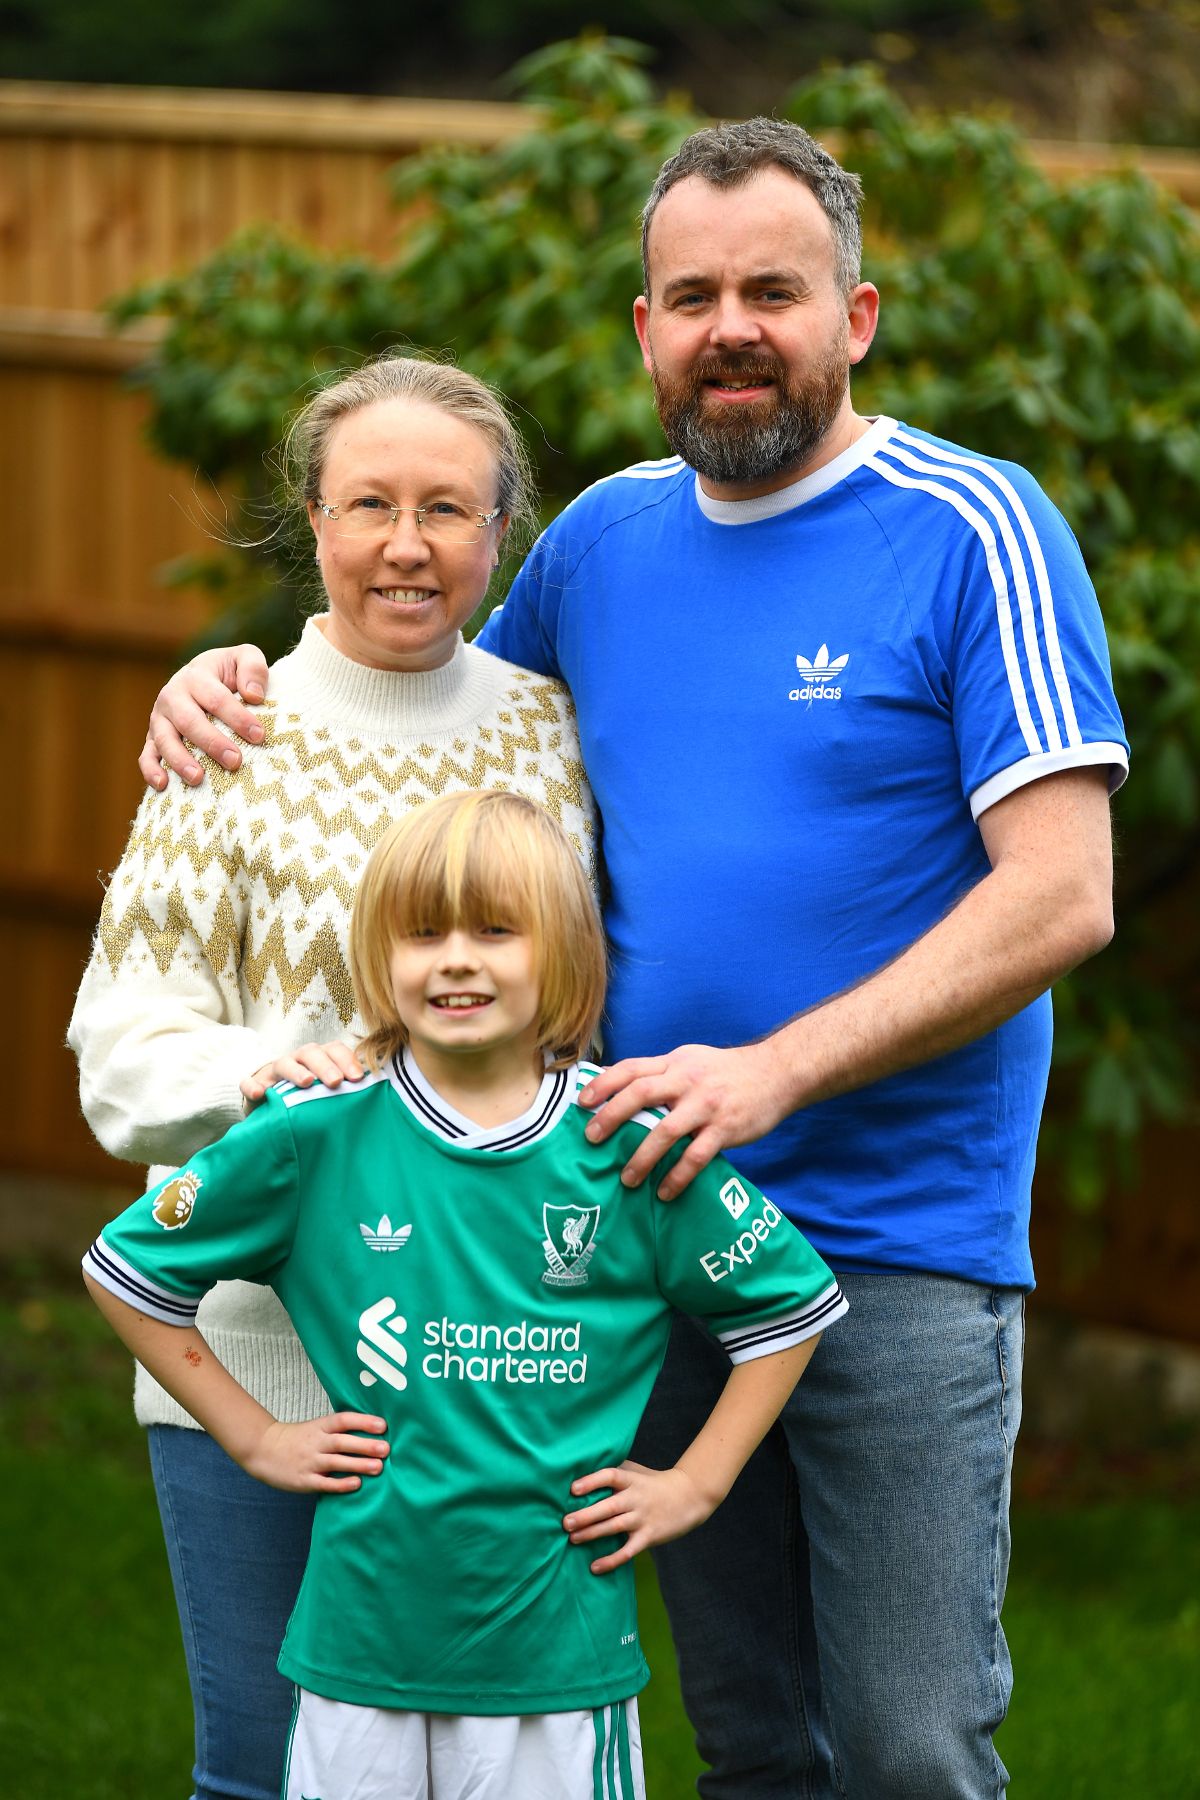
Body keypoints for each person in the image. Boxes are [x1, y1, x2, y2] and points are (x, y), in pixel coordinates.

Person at [135, 120, 1128, 1799]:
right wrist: (225, 686)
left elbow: (1063, 896)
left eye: (772, 290)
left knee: (902, 1741)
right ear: (647, 331)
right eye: (691, 294)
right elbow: (439, 728)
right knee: (746, 1740)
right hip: (621, 1228)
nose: (730, 323)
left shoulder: (978, 526)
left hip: (891, 1241)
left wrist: (777, 1072)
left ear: (857, 316)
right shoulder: (600, 543)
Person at [82, 788, 846, 1800]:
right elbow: (125, 1273)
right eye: (422, 932)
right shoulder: (315, 1133)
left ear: (564, 954)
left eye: (496, 931)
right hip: (361, 1645)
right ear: (380, 957)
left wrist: (696, 1482)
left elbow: (785, 1311)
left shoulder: (623, 1140)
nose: (455, 959)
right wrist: (258, 1436)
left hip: (556, 1663)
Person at [68, 355, 599, 1800]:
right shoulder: (231, 734)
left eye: (449, 508)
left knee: (492, 1770)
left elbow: (579, 1016)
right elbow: (120, 1050)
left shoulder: (551, 737)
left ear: (504, 534)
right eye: (370, 503)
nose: (407, 544)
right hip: (256, 1361)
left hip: (500, 1365)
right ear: (314, 520)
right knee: (265, 1765)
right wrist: (274, 1074)